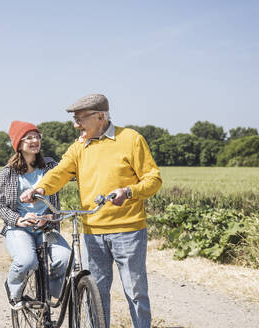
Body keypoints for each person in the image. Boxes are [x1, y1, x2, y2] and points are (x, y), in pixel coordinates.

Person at [20, 94, 162, 328]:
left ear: (100, 116)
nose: (76, 124)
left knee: (135, 292)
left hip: (128, 230)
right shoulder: (79, 147)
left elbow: (153, 179)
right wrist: (41, 188)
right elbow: (61, 172)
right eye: (74, 119)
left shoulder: (131, 139)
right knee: (96, 293)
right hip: (92, 232)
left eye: (80, 119)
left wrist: (128, 191)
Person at [0, 120, 71, 310]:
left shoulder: (50, 165)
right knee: (27, 261)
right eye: (29, 137)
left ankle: (51, 294)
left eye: (37, 136)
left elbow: (72, 173)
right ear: (19, 143)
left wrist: (50, 217)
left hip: (47, 226)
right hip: (20, 228)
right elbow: (0, 206)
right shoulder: (8, 173)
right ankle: (13, 289)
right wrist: (19, 220)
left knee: (65, 258)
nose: (34, 140)